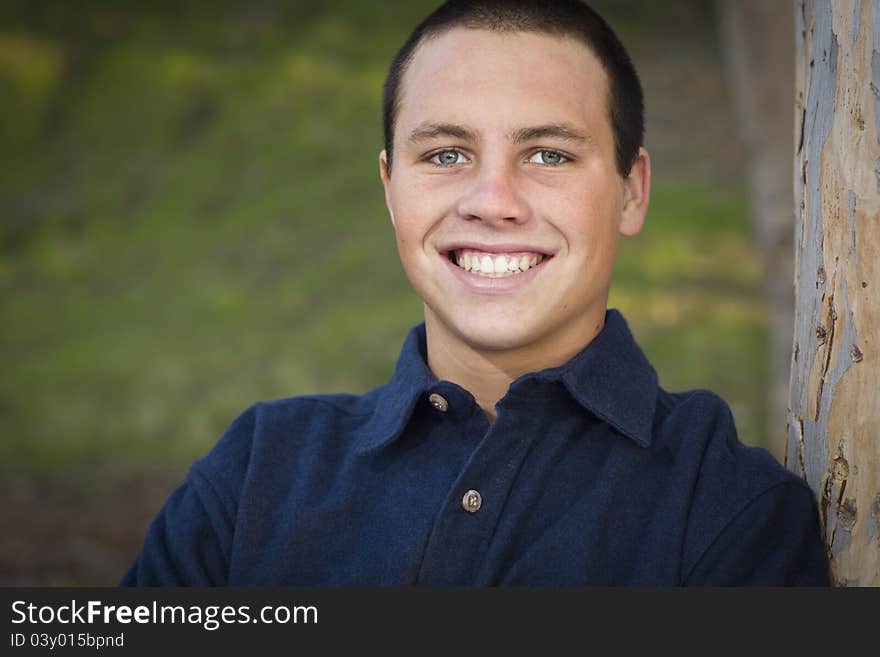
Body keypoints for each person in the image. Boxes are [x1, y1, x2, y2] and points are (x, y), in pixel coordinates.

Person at [122, 0, 830, 586]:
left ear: (631, 191)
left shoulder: (732, 510)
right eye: (446, 154)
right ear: (390, 189)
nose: (493, 201)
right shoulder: (256, 475)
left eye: (548, 154)